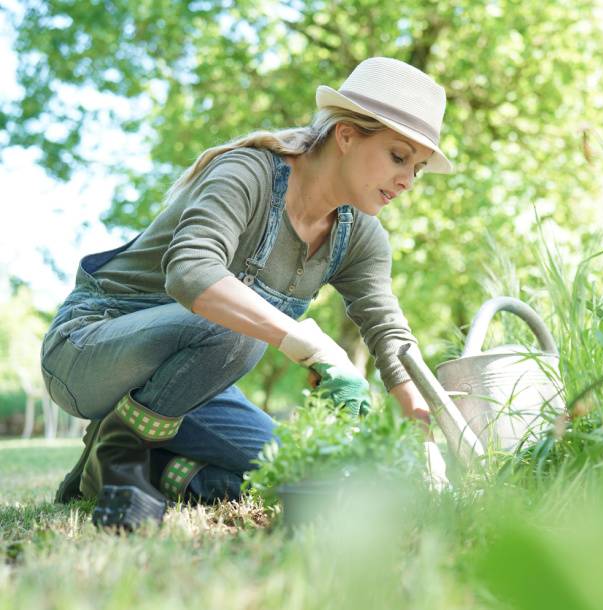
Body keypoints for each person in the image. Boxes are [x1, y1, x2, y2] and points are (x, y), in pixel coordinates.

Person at [40, 57, 451, 530]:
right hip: (90, 347)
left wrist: (422, 427)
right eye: (399, 157)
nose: (406, 181)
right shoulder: (249, 174)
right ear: (346, 135)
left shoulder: (360, 235)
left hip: (190, 383)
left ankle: (140, 470)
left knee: (308, 474)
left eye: (417, 169)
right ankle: (122, 452)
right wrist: (311, 345)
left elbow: (387, 331)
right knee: (236, 330)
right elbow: (192, 273)